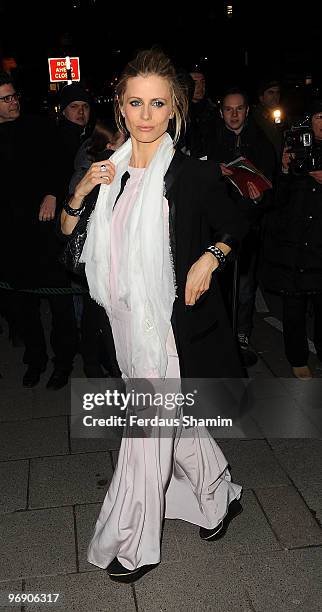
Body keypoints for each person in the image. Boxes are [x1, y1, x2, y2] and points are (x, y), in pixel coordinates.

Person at [61, 49, 247, 581]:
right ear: (120, 107)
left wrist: (210, 259)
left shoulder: (189, 174)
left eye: (157, 103)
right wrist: (81, 190)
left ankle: (130, 541)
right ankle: (219, 493)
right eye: (135, 102)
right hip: (119, 321)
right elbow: (67, 241)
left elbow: (237, 221)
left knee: (145, 431)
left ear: (174, 111)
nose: (145, 114)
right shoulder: (108, 172)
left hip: (165, 327)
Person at [0, 71, 78, 389]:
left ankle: (63, 362)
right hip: (11, 235)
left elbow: (61, 164)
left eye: (14, 95)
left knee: (59, 302)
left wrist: (51, 192)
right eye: (5, 98)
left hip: (45, 231)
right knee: (23, 305)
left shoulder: (39, 126)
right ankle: (36, 359)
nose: (13, 101)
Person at [207, 87, 276, 365]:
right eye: (228, 109)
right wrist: (214, 173)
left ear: (247, 111)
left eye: (239, 109)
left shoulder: (261, 141)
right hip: (217, 226)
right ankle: (220, 336)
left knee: (245, 286)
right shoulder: (210, 140)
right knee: (216, 283)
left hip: (248, 226)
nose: (233, 115)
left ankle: (241, 335)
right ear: (221, 111)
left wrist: (260, 197)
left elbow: (272, 188)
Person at [261, 100, 322, 380]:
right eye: (318, 117)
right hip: (295, 242)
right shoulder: (297, 148)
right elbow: (276, 201)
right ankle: (297, 357)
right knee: (294, 306)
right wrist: (285, 171)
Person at [67, 117, 125, 378]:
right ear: (113, 142)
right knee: (99, 315)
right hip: (101, 256)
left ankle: (95, 363)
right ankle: (102, 364)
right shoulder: (103, 165)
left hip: (100, 258)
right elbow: (70, 222)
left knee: (95, 313)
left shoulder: (94, 156)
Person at [252, 78, 287, 162]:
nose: (275, 96)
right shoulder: (254, 117)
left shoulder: (284, 115)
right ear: (261, 97)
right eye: (271, 92)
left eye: (277, 92)